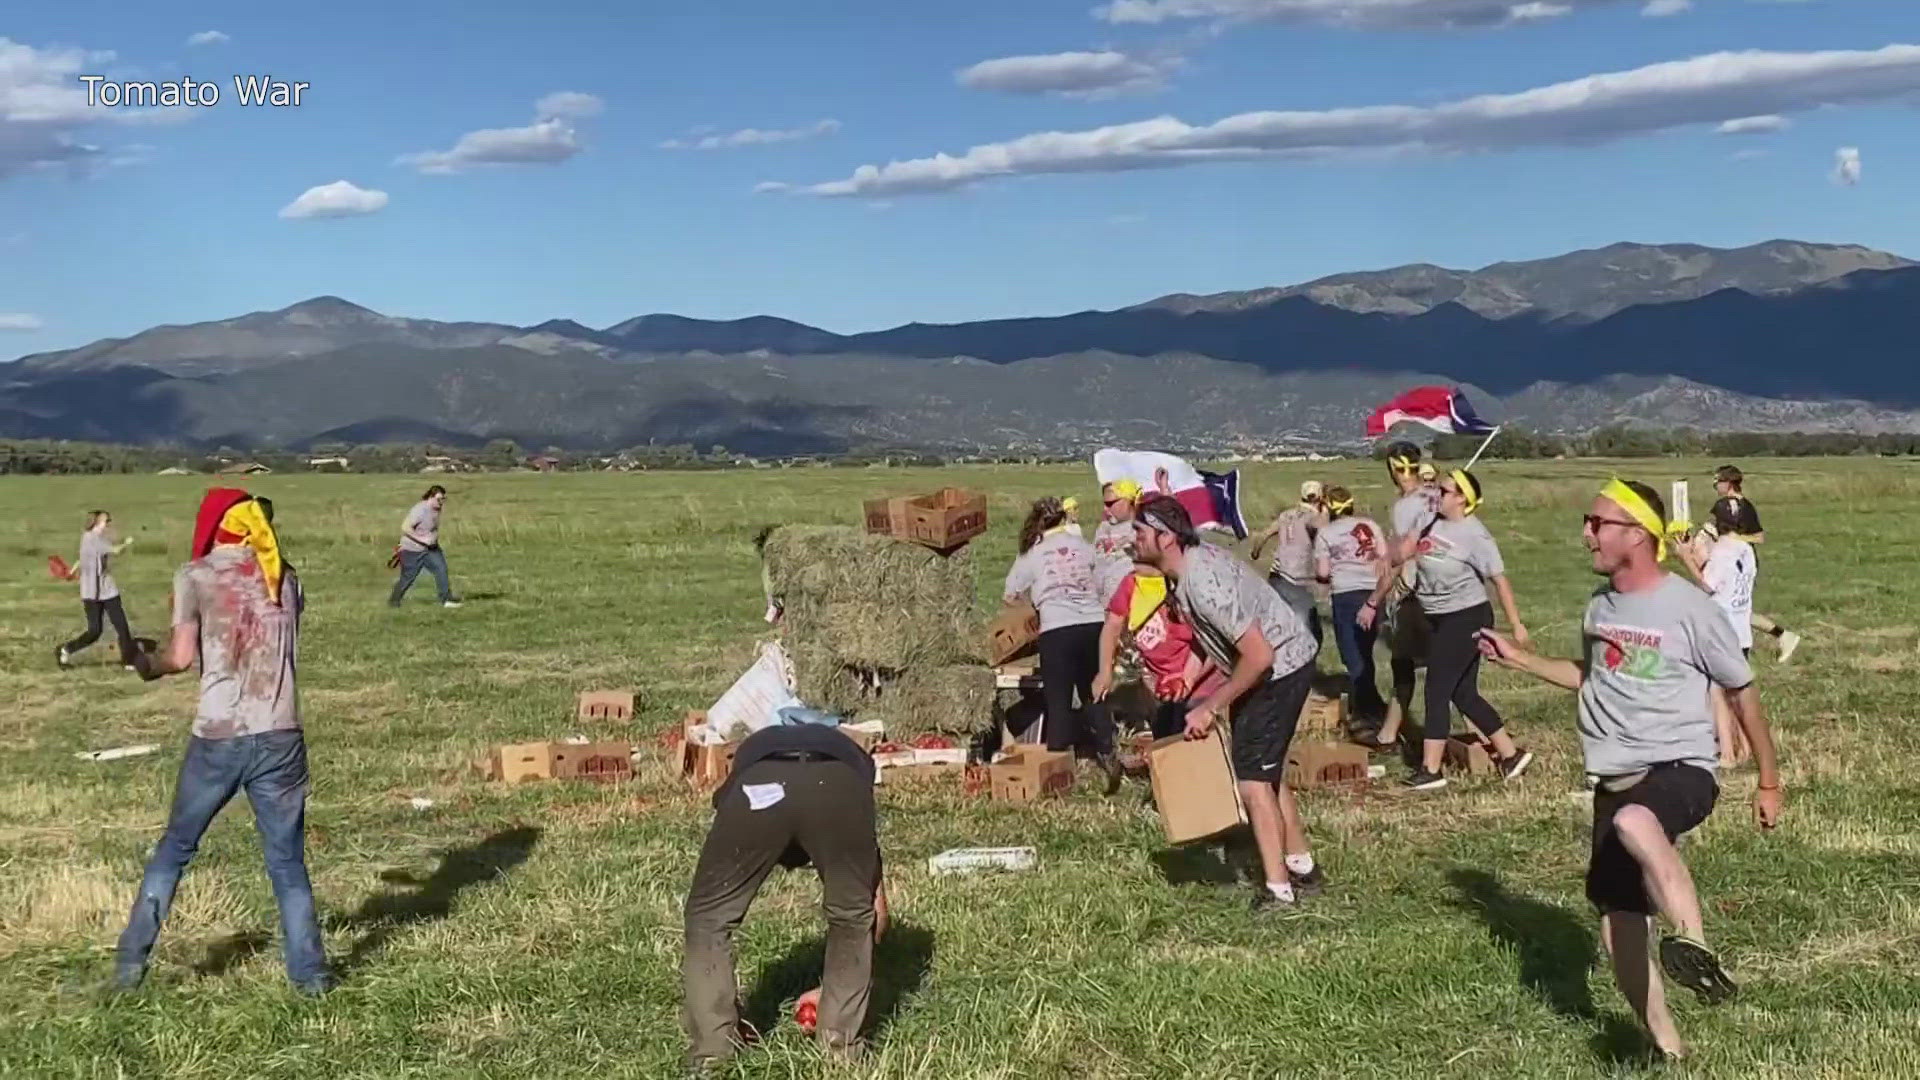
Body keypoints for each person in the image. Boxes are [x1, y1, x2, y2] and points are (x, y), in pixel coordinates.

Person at [1480, 478, 1783, 1060]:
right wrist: (1520, 660)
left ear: (1639, 536)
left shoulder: (1690, 608)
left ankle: (1693, 944)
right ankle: (1667, 1045)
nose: (1586, 533)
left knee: (1636, 824)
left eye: (1598, 523)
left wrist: (1769, 781)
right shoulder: (1600, 607)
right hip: (1611, 783)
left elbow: (1742, 692)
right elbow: (1594, 674)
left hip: (1681, 768)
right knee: (1617, 923)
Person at [116, 488, 330, 995]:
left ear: (213, 525)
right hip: (281, 734)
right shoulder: (287, 577)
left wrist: (143, 663)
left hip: (219, 736)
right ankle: (311, 977)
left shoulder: (195, 576)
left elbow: (181, 658)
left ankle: (127, 970)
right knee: (286, 863)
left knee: (175, 849)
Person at [1133, 495, 1324, 910]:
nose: (1133, 539)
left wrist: (1211, 706)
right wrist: (1190, 674)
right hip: (1274, 664)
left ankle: (1278, 891)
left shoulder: (1202, 582)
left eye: (1140, 531)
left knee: (1253, 781)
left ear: (1165, 538)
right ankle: (1303, 868)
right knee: (1266, 772)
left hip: (1280, 667)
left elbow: (1259, 655)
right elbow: (1218, 633)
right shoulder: (1186, 570)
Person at [681, 715, 886, 1071]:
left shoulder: (747, 761)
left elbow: (731, 828)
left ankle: (714, 1051)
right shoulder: (856, 776)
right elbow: (872, 907)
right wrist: (840, 990)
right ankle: (841, 1048)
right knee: (852, 918)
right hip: (837, 786)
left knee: (708, 918)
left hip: (758, 784)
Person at [1363, 469, 1534, 789]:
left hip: (1467, 617)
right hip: (1437, 617)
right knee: (1463, 693)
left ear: (1461, 499)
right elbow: (1404, 551)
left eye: (1443, 491)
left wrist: (1517, 625)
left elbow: (1500, 580)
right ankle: (1510, 755)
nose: (1436, 495)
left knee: (1437, 689)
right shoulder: (1428, 520)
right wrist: (1387, 554)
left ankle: (1431, 770)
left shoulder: (1475, 535)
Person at [1003, 497, 1121, 791]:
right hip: (1094, 624)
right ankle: (1107, 751)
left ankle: (1057, 772)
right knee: (1094, 693)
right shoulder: (1083, 545)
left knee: (1058, 702)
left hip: (1057, 629)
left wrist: (1032, 608)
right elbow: (1104, 581)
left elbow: (1009, 594)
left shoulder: (1033, 552)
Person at [1092, 560, 1224, 741]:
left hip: (1201, 681)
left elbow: (1211, 642)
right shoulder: (1132, 584)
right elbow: (1112, 626)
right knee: (1164, 739)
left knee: (1190, 740)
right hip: (1164, 687)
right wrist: (1104, 671)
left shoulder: (1185, 586)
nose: (1135, 560)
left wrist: (1186, 679)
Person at [1373, 445, 1441, 757]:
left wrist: (1379, 594)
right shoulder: (1437, 495)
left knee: (1406, 663)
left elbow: (1403, 553)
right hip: (1442, 587)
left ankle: (1392, 736)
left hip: (1414, 591)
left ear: (1395, 467)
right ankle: (1390, 732)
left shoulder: (1405, 507)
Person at [1676, 505, 1757, 764]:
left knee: (1717, 694)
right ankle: (1745, 748)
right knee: (1737, 694)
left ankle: (1728, 754)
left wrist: (1685, 559)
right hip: (1743, 630)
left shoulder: (1722, 552)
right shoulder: (1746, 550)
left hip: (1723, 631)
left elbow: (1707, 586)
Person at [1312, 487, 1390, 738]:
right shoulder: (1369, 524)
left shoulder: (1326, 533)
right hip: (1374, 593)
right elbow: (1385, 556)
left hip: (1346, 594)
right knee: (1366, 653)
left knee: (1351, 655)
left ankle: (1367, 711)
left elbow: (1323, 573)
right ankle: (1372, 702)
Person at [1709, 466, 1800, 662]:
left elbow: (1759, 538)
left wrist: (1736, 538)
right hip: (1729, 560)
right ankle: (1783, 636)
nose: (1715, 485)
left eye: (1719, 481)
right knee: (1739, 611)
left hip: (1740, 562)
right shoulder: (1725, 505)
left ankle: (1781, 636)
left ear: (1730, 483)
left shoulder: (1745, 507)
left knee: (1733, 609)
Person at [57, 510, 140, 670]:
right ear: (96, 523)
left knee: (121, 626)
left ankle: (128, 660)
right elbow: (115, 550)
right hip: (92, 592)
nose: (107, 524)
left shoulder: (87, 539)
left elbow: (80, 558)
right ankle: (65, 650)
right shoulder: (93, 540)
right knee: (95, 631)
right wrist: (127, 542)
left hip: (107, 590)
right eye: (105, 521)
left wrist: (72, 571)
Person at [1252, 480, 1327, 647]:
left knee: (1278, 625)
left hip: (1277, 574)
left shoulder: (1285, 515)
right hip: (1298, 579)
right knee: (1308, 633)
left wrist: (1255, 552)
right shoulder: (1314, 519)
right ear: (1319, 497)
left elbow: (1263, 535)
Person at [389, 485, 461, 608]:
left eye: (443, 499)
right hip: (412, 550)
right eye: (439, 499)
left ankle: (446, 599)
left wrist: (432, 539)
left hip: (431, 549)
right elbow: (405, 527)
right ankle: (394, 601)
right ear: (430, 497)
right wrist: (422, 539)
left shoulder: (437, 509)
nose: (441, 502)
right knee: (408, 578)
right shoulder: (420, 510)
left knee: (441, 569)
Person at [1092, 480, 1142, 603]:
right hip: (1099, 608)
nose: (1105, 508)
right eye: (1104, 504)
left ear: (1129, 500)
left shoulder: (1143, 532)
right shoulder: (1103, 528)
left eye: (1110, 504)